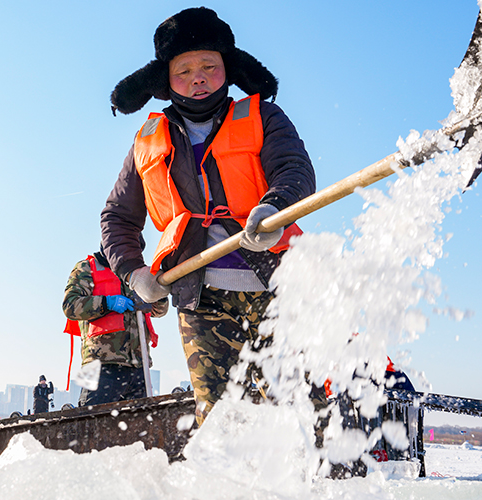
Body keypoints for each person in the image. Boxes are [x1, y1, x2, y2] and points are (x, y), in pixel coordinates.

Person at [101, 7, 316, 426]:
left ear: (228, 70)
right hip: (201, 300)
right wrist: (134, 272)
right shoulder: (147, 140)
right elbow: (117, 217)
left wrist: (274, 208)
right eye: (183, 71)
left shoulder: (264, 117)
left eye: (208, 67)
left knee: (302, 413)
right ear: (165, 80)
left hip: (280, 285)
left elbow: (294, 170)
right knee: (221, 423)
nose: (197, 78)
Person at [63, 243, 169, 406]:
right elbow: (70, 305)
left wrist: (158, 296)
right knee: (94, 419)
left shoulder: (137, 274)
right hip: (103, 365)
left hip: (139, 367)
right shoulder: (87, 268)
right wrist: (107, 303)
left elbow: (159, 311)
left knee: (141, 420)